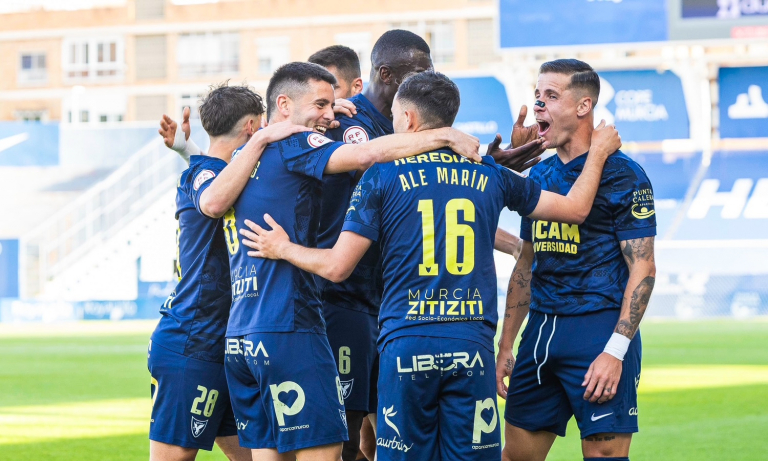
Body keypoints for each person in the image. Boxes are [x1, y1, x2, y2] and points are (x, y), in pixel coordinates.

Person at [238, 71, 621, 461]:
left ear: (408, 120)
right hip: (469, 347)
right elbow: (575, 209)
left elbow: (338, 267)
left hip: (406, 344)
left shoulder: (381, 176)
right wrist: (599, 155)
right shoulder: (491, 174)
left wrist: (283, 248)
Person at [221, 62, 480, 461]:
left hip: (242, 336)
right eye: (321, 104)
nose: (330, 113)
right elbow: (366, 155)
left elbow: (210, 204)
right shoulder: (293, 145)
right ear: (284, 105)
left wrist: (325, 114)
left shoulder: (244, 154)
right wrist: (442, 134)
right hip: (290, 327)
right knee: (329, 451)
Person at [309, 29, 546, 461]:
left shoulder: (423, 122)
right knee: (347, 434)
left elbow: (437, 207)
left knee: (379, 436)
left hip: (397, 309)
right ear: (385, 73)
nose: (430, 74)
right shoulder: (349, 123)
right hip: (346, 299)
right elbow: (374, 175)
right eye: (421, 69)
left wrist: (493, 171)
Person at [495, 59, 656, 461]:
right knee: (515, 457)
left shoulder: (624, 175)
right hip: (540, 332)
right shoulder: (539, 176)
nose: (538, 106)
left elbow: (644, 266)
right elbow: (526, 263)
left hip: (597, 331)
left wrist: (615, 351)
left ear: (584, 106)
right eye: (537, 96)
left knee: (604, 457)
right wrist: (506, 343)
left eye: (551, 96)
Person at [148, 83, 308, 461]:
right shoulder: (207, 176)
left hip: (232, 344)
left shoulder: (215, 169)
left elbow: (215, 170)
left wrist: (186, 148)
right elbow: (212, 197)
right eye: (263, 126)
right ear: (253, 127)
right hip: (193, 341)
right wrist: (262, 138)